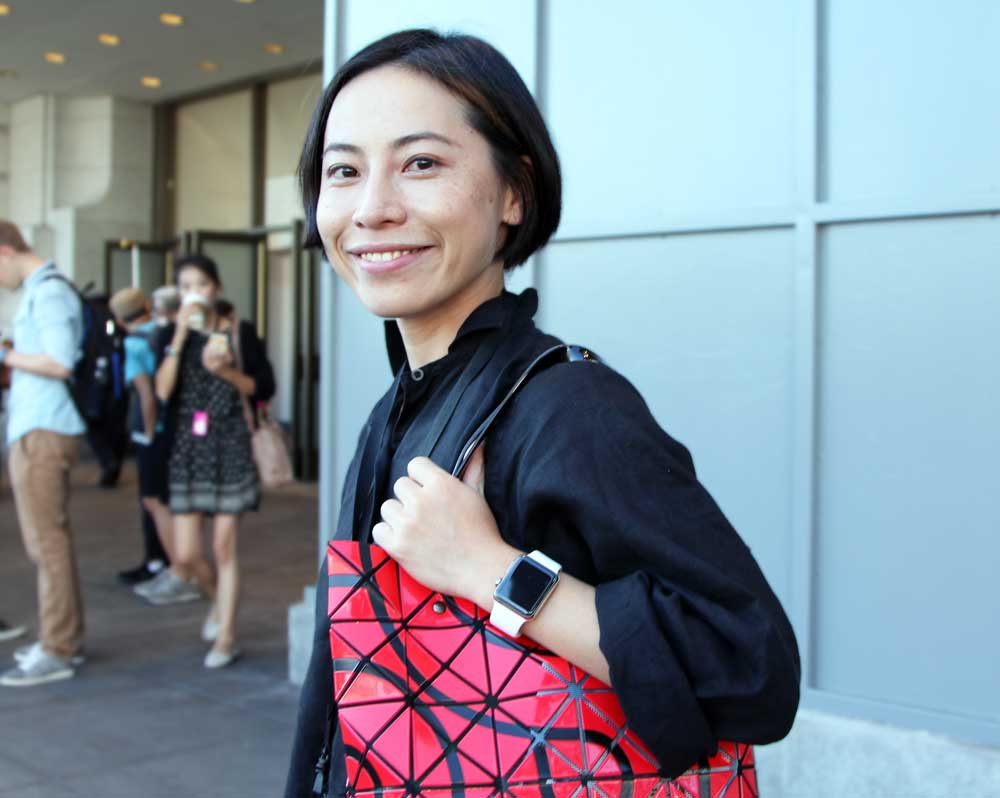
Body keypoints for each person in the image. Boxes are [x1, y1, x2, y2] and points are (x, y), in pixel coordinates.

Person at [284, 30, 801, 797]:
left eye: (421, 163)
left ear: (513, 192)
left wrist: (492, 571)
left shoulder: (566, 406)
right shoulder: (398, 407)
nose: (373, 208)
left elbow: (752, 668)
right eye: (344, 171)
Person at [154, 254, 275, 668]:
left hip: (231, 442)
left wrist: (224, 371)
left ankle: (226, 637)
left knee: (224, 547)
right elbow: (163, 392)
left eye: (200, 285)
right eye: (185, 286)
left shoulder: (239, 333)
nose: (194, 294)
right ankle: (216, 603)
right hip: (190, 445)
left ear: (216, 289)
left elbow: (263, 387)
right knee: (186, 555)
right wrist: (178, 341)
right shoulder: (174, 335)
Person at [0, 220, 87, 687]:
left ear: (5, 253)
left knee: (47, 543)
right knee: (46, 542)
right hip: (38, 427)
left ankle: (59, 647)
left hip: (45, 428)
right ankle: (61, 639)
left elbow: (60, 361)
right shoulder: (43, 289)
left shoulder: (49, 293)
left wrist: (6, 357)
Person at [108, 287, 201, 606]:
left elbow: (147, 394)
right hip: (179, 427)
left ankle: (181, 572)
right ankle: (177, 569)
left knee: (156, 502)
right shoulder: (166, 333)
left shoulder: (135, 343)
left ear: (121, 319)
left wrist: (148, 432)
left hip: (157, 433)